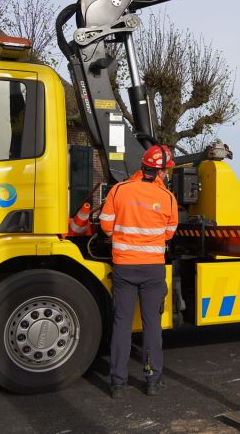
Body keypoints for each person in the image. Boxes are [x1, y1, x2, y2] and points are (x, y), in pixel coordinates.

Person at [99, 145, 178, 398]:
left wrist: (123, 238)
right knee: (151, 324)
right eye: (167, 171)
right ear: (160, 171)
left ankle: (118, 384)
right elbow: (169, 233)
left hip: (124, 266)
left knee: (121, 324)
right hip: (153, 269)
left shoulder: (118, 191)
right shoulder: (168, 198)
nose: (167, 175)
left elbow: (106, 226)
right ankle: (153, 380)